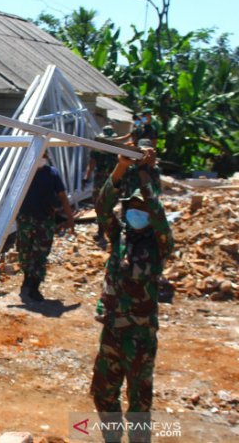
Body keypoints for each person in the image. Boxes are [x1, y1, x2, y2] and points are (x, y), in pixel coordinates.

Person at [90, 148, 173, 443]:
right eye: (132, 207)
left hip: (140, 335)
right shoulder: (119, 236)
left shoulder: (160, 244)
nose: (136, 212)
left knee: (139, 403)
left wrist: (143, 173)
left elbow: (159, 215)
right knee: (102, 394)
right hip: (112, 330)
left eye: (142, 208)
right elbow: (101, 208)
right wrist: (120, 169)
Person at [16, 152, 75, 302]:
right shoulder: (23, 171)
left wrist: (70, 218)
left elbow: (62, 196)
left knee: (40, 254)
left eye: (44, 154)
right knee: (25, 251)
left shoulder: (52, 173)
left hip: (45, 221)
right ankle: (27, 277)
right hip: (25, 220)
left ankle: (34, 286)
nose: (42, 157)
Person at [84, 125, 119, 243]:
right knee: (106, 206)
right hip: (110, 180)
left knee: (101, 206)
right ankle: (106, 232)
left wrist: (86, 178)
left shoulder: (100, 149)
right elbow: (92, 164)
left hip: (103, 180)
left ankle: (103, 232)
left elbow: (91, 165)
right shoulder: (114, 149)